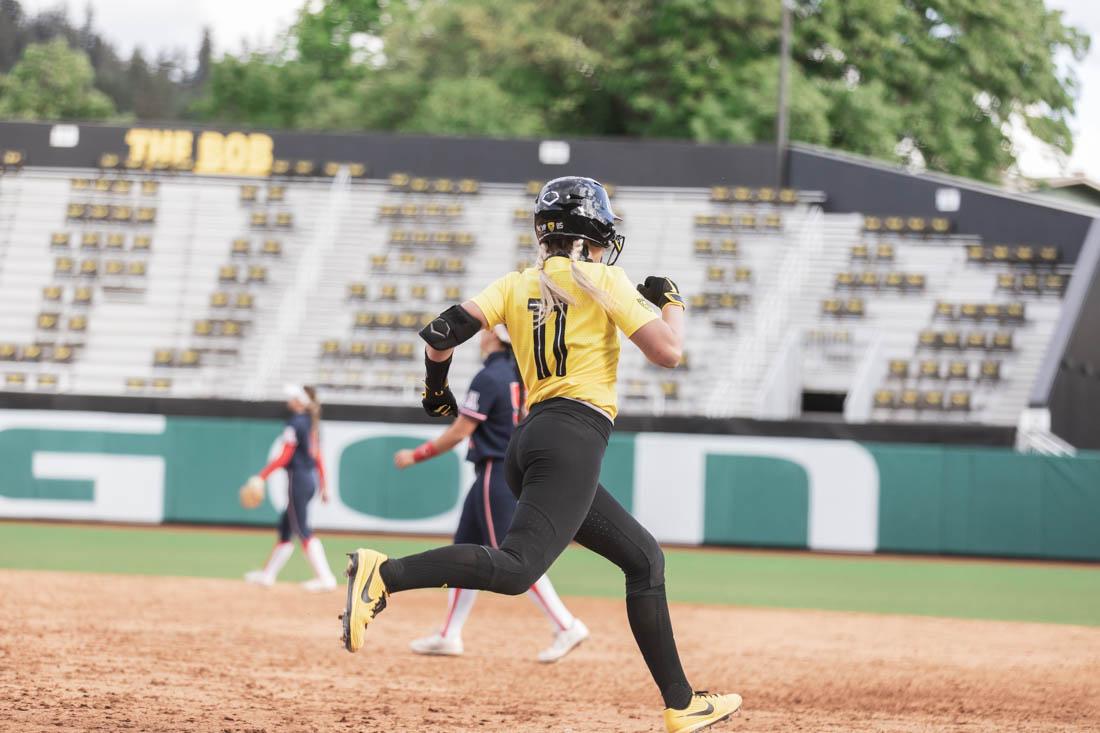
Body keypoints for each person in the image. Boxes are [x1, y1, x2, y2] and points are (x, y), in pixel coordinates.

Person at [340, 177, 741, 732]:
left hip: (532, 438)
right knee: (515, 571)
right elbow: (669, 352)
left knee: (644, 560)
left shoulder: (515, 283)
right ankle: (384, 575)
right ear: (593, 234)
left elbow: (439, 334)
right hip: (571, 437)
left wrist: (437, 390)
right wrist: (672, 302)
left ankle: (682, 703)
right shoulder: (605, 280)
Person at [393, 323, 589, 662]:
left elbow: (460, 431)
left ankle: (565, 623)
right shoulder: (523, 374)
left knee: (514, 558)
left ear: (495, 339)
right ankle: (449, 634)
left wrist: (417, 454)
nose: (480, 335)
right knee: (463, 550)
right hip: (507, 468)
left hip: (494, 471)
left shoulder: (489, 377)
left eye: (485, 331)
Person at [244, 384, 338, 592]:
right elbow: (318, 457)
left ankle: (325, 578)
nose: (288, 400)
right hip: (309, 480)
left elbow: (285, 456)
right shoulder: (310, 423)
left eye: (292, 397)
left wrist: (262, 476)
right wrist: (324, 485)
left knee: (303, 530)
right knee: (286, 529)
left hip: (298, 481)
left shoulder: (295, 423)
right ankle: (267, 575)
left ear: (298, 401)